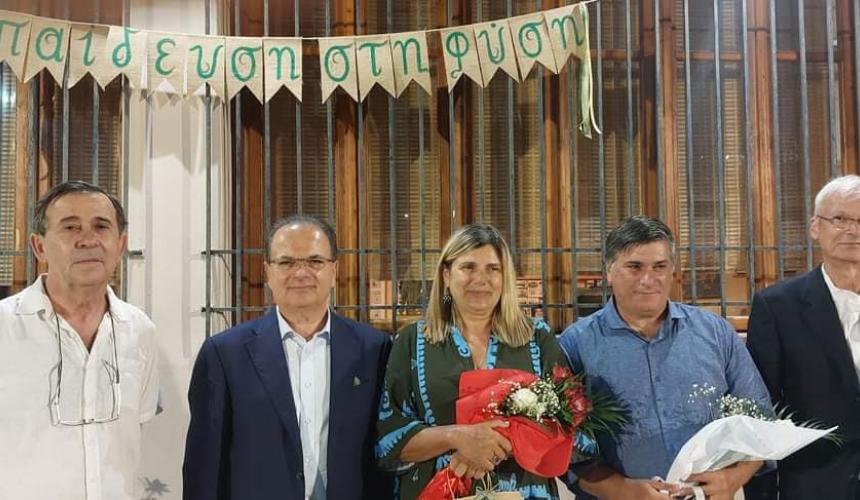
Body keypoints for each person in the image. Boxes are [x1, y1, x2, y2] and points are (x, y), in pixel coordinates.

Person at [558, 216, 771, 499]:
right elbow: (564, 450)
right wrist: (625, 491)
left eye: (659, 267)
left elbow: (760, 421)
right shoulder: (575, 345)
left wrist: (731, 479)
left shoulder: (715, 333)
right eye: (635, 267)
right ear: (609, 271)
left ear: (672, 271)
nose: (648, 280)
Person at [183, 214, 391, 500]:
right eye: (286, 263)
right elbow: (204, 467)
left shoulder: (374, 349)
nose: (301, 273)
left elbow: (386, 450)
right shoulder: (223, 355)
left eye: (315, 261)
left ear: (334, 270)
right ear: (267, 272)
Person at [376, 223, 567, 499]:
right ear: (446, 274)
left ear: (505, 277)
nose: (481, 279)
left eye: (493, 269)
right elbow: (388, 439)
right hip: (435, 491)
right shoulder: (411, 340)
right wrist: (456, 437)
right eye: (468, 267)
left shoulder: (538, 338)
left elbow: (570, 427)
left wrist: (493, 445)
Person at [0, 180, 159, 500]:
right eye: (70, 227)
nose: (88, 239)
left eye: (101, 226)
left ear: (121, 244)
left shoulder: (139, 330)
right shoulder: (5, 326)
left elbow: (137, 423)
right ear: (39, 247)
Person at [747, 175, 860, 499]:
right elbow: (761, 409)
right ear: (815, 227)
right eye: (840, 219)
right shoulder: (777, 306)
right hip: (815, 483)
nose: (852, 230)